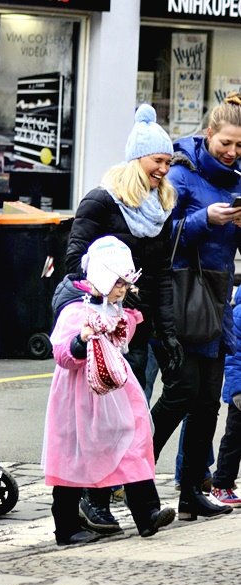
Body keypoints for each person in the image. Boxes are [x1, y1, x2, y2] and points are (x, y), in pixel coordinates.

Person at [63, 103, 183, 534]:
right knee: (114, 420)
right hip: (103, 325)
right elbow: (75, 262)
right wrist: (115, 291)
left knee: (139, 415)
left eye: (168, 162)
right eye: (158, 161)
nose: (164, 171)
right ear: (137, 160)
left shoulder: (160, 207)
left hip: (140, 322)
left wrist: (167, 334)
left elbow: (163, 275)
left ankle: (119, 503)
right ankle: (95, 502)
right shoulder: (101, 201)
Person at [44, 236, 175, 546]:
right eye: (118, 281)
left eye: (126, 282)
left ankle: (147, 513)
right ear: (102, 276)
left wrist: (121, 326)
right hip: (79, 395)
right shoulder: (76, 311)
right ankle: (66, 525)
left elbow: (123, 338)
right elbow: (62, 354)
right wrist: (82, 340)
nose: (123, 288)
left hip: (114, 389)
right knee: (74, 454)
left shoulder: (116, 307)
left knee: (132, 437)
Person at [149, 93, 241, 521]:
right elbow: (163, 239)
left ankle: (190, 492)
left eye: (240, 146)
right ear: (209, 135)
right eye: (226, 143)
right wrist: (209, 219)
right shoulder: (182, 175)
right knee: (179, 395)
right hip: (184, 297)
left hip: (218, 300)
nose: (233, 152)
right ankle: (130, 478)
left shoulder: (238, 179)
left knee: (207, 403)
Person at [210, 285, 241, 506]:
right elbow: (234, 357)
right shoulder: (239, 314)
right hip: (240, 392)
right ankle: (221, 483)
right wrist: (237, 389)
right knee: (234, 439)